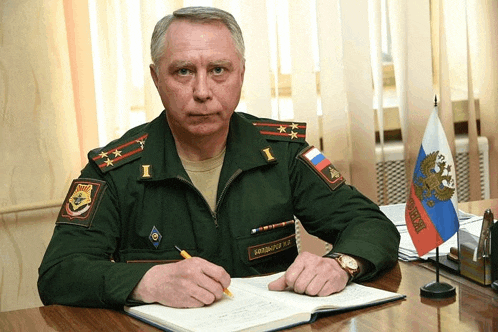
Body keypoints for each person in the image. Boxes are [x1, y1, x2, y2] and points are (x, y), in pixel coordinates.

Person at [38, 6, 400, 309]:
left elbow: (370, 223)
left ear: (240, 74)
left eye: (218, 70)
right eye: (183, 71)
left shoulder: (283, 152)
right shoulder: (115, 170)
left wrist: (341, 264)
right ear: (156, 78)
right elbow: (60, 272)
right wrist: (146, 281)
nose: (202, 91)